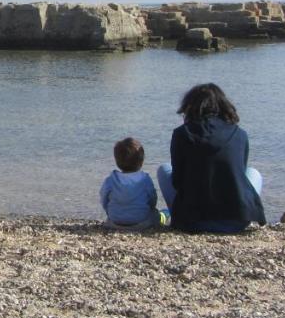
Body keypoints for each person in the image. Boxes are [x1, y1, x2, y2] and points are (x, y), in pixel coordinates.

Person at [156, 83, 266, 233]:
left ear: (189, 107)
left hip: (192, 222)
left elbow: (177, 181)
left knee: (164, 169)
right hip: (236, 221)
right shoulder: (240, 134)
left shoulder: (182, 134)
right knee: (253, 173)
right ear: (224, 106)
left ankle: (172, 214)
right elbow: (240, 173)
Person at [99, 137, 162, 231]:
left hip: (115, 221)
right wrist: (151, 209)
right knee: (156, 214)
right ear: (141, 162)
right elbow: (152, 199)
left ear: (117, 161)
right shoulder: (145, 179)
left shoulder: (111, 180)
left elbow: (104, 199)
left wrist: (109, 212)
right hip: (141, 222)